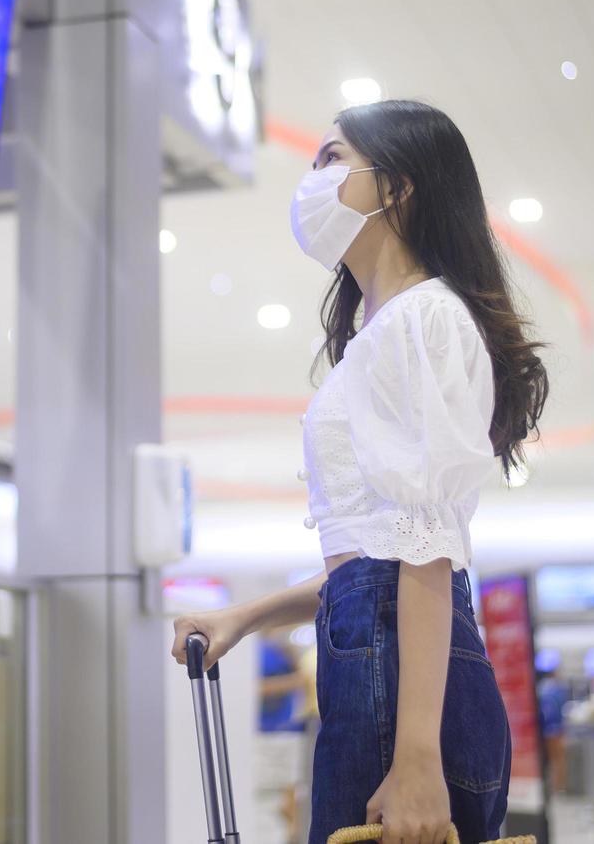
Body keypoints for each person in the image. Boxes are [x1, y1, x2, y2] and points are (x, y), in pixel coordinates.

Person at [172, 100, 548, 844]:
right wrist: (243, 618)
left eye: (331, 158)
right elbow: (383, 552)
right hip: (380, 661)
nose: (311, 179)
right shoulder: (386, 330)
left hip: (400, 683)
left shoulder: (422, 320)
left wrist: (416, 759)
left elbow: (423, 545)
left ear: (396, 187)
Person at [536, 668, 569, 795]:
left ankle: (554, 786)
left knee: (551, 760)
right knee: (559, 760)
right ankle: (558, 787)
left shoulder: (543, 690)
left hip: (546, 730)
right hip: (555, 731)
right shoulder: (555, 690)